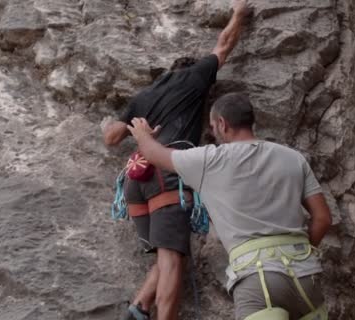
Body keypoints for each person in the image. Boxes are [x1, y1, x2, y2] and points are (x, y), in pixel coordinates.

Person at [101, 1, 252, 319]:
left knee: (166, 253)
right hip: (166, 175)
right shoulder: (195, 77)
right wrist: (239, 13)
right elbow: (223, 46)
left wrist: (107, 122)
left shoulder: (143, 97)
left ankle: (140, 307)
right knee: (172, 259)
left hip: (135, 182)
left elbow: (112, 136)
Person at [125, 92, 332, 320]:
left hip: (257, 279)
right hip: (305, 277)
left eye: (213, 127)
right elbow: (322, 219)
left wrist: (142, 134)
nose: (214, 132)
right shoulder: (294, 158)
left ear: (222, 124)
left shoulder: (210, 160)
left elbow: (155, 154)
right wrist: (296, 254)